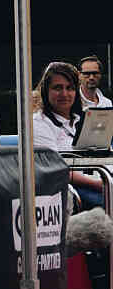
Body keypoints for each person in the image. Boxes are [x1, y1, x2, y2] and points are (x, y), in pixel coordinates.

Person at [33, 61, 103, 209]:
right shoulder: (38, 123)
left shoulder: (83, 119)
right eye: (57, 88)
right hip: (70, 190)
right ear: (46, 91)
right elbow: (56, 169)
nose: (64, 94)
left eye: (70, 88)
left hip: (99, 182)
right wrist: (98, 184)